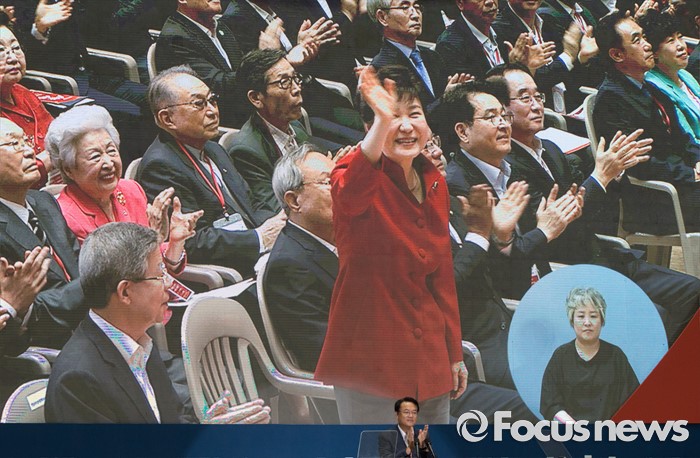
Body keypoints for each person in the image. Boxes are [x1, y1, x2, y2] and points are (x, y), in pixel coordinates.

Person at [496, 62, 700, 344]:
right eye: (525, 97)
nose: (537, 105)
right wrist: (601, 177)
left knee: (693, 292)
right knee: (655, 316)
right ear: (502, 110)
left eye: (538, 96)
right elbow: (551, 232)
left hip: (605, 256)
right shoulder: (508, 167)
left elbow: (594, 210)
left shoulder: (550, 149)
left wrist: (613, 175)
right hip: (572, 271)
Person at [314, 66, 467, 424]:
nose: (406, 126)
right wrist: (383, 120)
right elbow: (351, 195)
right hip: (370, 359)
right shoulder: (350, 171)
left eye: (414, 114)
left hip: (430, 356)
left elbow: (442, 276)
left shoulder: (434, 179)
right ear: (370, 126)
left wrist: (453, 351)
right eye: (392, 117)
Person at [45, 222, 272, 424]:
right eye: (159, 274)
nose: (169, 284)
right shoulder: (77, 381)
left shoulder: (138, 342)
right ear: (125, 292)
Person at [136, 65, 286, 277]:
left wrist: (277, 224)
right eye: (199, 104)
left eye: (212, 100)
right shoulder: (160, 166)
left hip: (257, 251)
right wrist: (259, 238)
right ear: (167, 119)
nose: (213, 111)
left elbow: (251, 203)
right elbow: (192, 241)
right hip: (228, 269)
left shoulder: (215, 149)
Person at [443, 79, 583, 300]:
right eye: (491, 117)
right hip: (512, 303)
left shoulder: (512, 170)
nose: (503, 125)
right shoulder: (460, 187)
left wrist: (553, 222)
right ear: (463, 131)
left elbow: (531, 247)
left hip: (544, 285)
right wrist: (542, 231)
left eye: (504, 116)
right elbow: (491, 272)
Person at [45, 105, 203, 277]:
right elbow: (109, 279)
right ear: (68, 169)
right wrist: (152, 238)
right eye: (95, 157)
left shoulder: (131, 190)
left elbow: (159, 263)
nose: (108, 163)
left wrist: (176, 242)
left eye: (111, 151)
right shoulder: (66, 217)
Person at [594, 11, 700, 235]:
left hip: (681, 183)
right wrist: (690, 173)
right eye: (637, 40)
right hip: (654, 200)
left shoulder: (648, 86)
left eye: (644, 37)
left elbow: (682, 136)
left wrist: (698, 160)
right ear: (617, 54)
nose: (648, 44)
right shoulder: (611, 99)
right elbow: (638, 163)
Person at [0, 118, 85, 350]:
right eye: (14, 144)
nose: (30, 151)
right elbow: (25, 313)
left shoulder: (43, 201)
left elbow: (77, 265)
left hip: (91, 327)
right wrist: (99, 282)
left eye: (26, 141)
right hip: (52, 347)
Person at [229, 48, 342, 214]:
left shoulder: (295, 126)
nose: (296, 89)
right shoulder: (246, 151)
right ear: (256, 98)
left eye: (295, 78)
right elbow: (276, 209)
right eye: (284, 82)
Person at [540, 287, 639, 422]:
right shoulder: (560, 356)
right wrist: (575, 428)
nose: (587, 323)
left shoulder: (616, 356)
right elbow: (550, 403)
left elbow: (633, 401)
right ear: (572, 320)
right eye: (581, 316)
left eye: (593, 316)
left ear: (602, 320)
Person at [435, 0, 553, 79]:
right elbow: (474, 96)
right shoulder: (450, 45)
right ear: (460, 3)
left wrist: (529, 67)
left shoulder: (501, 30)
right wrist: (512, 68)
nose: (490, 2)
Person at [367, 0, 450, 107]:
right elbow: (407, 114)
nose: (416, 15)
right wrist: (447, 98)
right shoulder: (381, 68)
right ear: (383, 17)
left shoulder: (432, 56)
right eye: (405, 8)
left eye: (417, 7)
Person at [0, 24, 53, 187]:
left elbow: (58, 136)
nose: (13, 58)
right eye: (0, 51)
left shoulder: (23, 93)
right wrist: (47, 160)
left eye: (16, 48)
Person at [641, 11, 700, 144]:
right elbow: (688, 140)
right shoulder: (655, 86)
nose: (681, 46)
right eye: (671, 41)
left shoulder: (684, 74)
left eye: (680, 37)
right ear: (654, 52)